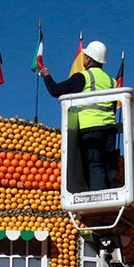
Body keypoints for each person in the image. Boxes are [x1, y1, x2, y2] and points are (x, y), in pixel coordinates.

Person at [42, 40, 121, 192]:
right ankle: (113, 198)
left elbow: (56, 90)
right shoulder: (111, 81)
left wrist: (47, 76)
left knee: (95, 164)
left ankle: (99, 203)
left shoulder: (83, 77)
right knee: (109, 166)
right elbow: (113, 106)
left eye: (85, 56)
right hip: (110, 128)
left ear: (89, 59)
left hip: (91, 128)